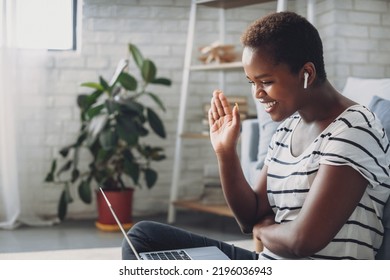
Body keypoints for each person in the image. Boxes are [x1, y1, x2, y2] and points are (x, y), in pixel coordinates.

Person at [122, 11, 390, 260]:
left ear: (306, 73)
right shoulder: (288, 127)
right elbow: (249, 216)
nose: (257, 93)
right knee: (143, 237)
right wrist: (225, 153)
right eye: (252, 82)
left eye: (266, 81)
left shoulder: (354, 130)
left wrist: (261, 232)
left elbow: (302, 240)